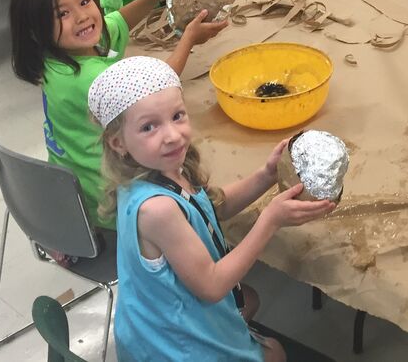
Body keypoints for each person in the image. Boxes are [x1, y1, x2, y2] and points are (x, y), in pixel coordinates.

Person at [91, 56, 335, 362]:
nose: (171, 135)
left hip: (155, 321)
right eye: (149, 127)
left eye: (177, 116)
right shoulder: (157, 209)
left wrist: (266, 174)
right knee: (277, 354)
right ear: (118, 143)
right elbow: (212, 285)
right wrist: (270, 221)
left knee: (254, 308)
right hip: (171, 347)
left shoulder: (156, 170)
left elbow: (210, 207)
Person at [10, 0, 226, 228]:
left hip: (69, 184)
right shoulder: (86, 78)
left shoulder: (56, 55)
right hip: (108, 198)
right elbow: (155, 87)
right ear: (36, 31)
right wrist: (189, 39)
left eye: (84, 1)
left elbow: (117, 21)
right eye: (62, 13)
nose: (81, 17)